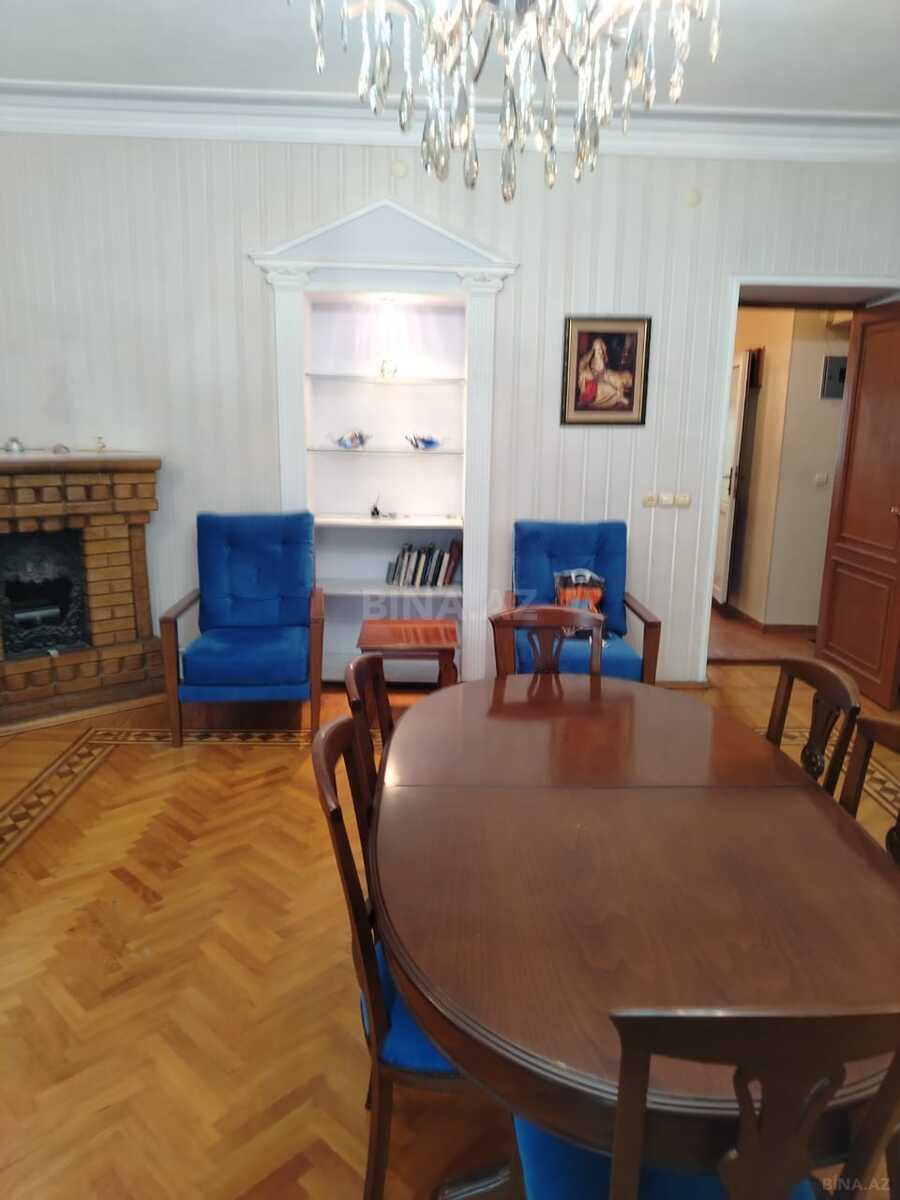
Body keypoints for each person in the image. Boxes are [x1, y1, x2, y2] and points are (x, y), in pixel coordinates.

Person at [576, 336, 633, 409]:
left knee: (615, 382)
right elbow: (583, 370)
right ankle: (618, 398)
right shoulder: (589, 359)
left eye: (601, 349)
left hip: (603, 378)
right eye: (598, 349)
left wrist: (606, 374)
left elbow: (605, 371)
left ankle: (620, 396)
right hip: (595, 383)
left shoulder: (603, 358)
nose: (600, 352)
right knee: (610, 389)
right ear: (594, 350)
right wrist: (592, 374)